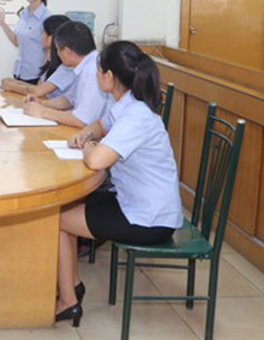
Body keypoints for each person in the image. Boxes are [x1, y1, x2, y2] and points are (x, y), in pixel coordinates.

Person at [52, 41, 182, 327]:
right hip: (132, 202)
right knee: (70, 206)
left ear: (109, 77)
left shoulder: (137, 117)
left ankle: (68, 302)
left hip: (148, 219)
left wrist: (88, 148)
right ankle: (72, 286)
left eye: (99, 70)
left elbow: (97, 161)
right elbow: (102, 124)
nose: (97, 75)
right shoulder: (125, 101)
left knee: (58, 220)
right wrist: (86, 134)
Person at [24, 21, 109, 128]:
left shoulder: (92, 72)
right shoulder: (87, 63)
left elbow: (82, 120)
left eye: (58, 49)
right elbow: (70, 99)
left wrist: (43, 112)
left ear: (67, 52)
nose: (58, 54)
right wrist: (42, 104)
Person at [0, 14, 74, 98]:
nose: (40, 37)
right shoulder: (50, 61)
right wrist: (15, 82)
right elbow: (39, 87)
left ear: (51, 37)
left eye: (43, 33)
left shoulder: (66, 67)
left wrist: (12, 86)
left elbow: (38, 91)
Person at [0, 0, 51, 84]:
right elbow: (17, 42)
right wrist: (3, 22)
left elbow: (49, 50)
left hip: (35, 76)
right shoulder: (23, 14)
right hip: (19, 72)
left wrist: (44, 76)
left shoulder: (47, 17)